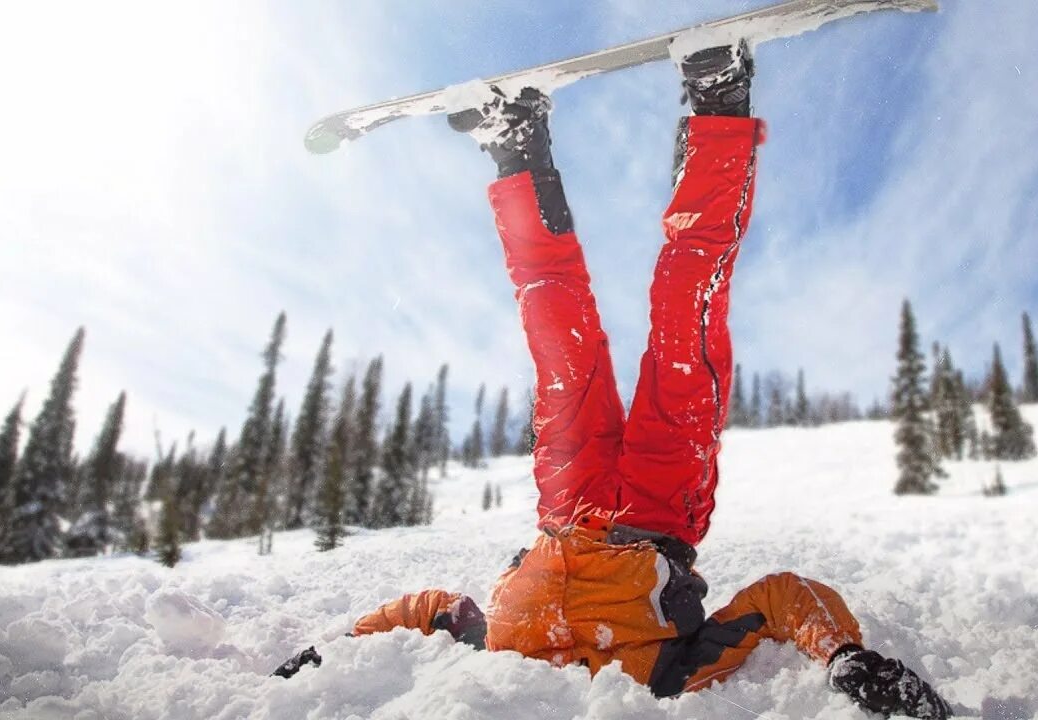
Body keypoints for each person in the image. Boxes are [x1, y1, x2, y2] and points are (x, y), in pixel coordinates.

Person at [281, 42, 952, 720]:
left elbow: (433, 611)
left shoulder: (496, 676)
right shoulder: (663, 682)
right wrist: (844, 655)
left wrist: (336, 648)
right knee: (685, 309)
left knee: (551, 318)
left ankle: (518, 143)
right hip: (661, 510)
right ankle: (720, 104)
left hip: (565, 502)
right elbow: (778, 598)